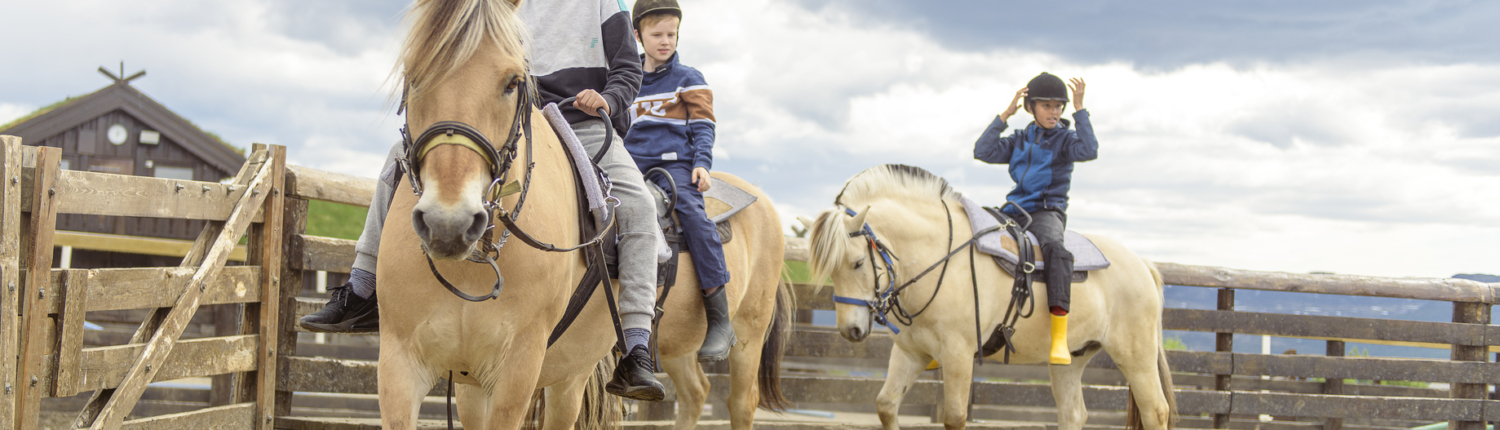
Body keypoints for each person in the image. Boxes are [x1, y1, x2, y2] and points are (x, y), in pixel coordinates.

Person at [298, 0, 667, 401]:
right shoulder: (495, 5)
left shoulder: (600, 3)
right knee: (396, 161)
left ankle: (634, 343)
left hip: (582, 123)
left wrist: (610, 100)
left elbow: (629, 69)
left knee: (639, 206)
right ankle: (362, 286)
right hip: (510, 118)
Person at [623, 0, 736, 362]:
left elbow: (704, 127)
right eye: (657, 34)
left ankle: (720, 317)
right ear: (639, 36)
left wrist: (702, 164)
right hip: (630, 167)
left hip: (674, 168)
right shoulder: (627, 80)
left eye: (671, 34)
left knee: (693, 216)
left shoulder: (689, 78)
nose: (666, 41)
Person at [972, 72, 1095, 365]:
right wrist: (1005, 115)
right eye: (1047, 106)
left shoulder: (1066, 140)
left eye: (1059, 107)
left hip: (1046, 211)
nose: (1054, 112)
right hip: (1014, 209)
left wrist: (1080, 110)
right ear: (1031, 108)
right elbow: (982, 150)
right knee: (974, 235)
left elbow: (1089, 150)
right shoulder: (1018, 139)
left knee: (1055, 249)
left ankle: (1059, 335)